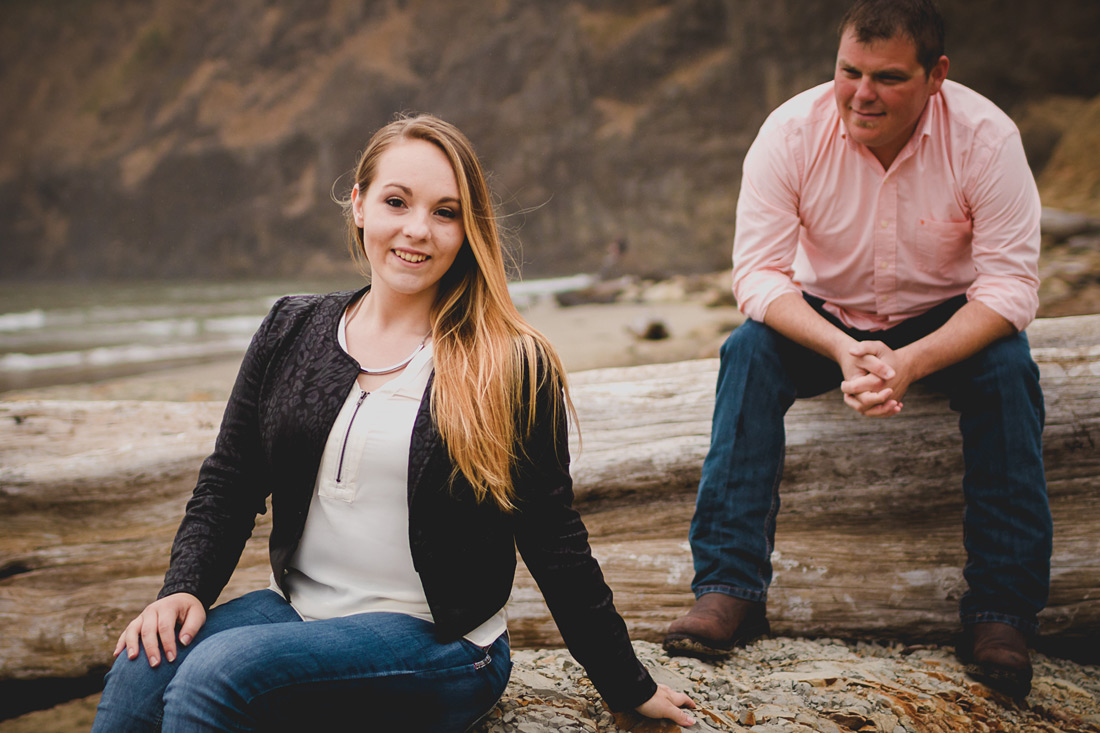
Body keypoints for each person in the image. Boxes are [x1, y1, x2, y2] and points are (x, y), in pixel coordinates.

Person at [93, 114, 696, 732]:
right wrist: (182, 588)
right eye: (396, 201)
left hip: (441, 643)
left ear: (468, 229)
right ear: (358, 206)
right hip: (299, 616)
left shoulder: (508, 360)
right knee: (143, 665)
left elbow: (554, 537)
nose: (417, 230)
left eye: (445, 212)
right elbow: (229, 481)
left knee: (216, 675)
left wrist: (627, 684)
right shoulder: (290, 329)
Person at [662, 0, 1052, 699]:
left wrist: (911, 361)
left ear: (937, 76)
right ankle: (729, 591)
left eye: (888, 78)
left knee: (1009, 370)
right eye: (850, 71)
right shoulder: (789, 132)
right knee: (747, 352)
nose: (861, 93)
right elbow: (756, 275)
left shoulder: (986, 137)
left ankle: (1001, 614)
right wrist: (847, 350)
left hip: (944, 319)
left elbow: (1011, 287)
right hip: (826, 318)